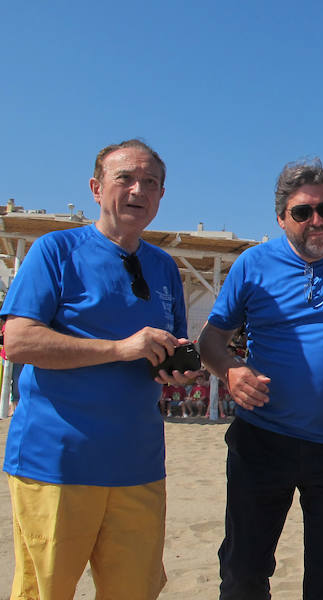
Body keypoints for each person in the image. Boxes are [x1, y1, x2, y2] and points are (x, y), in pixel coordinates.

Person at [1, 139, 197, 599]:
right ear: (95, 187)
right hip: (57, 463)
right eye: (125, 178)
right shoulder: (55, 251)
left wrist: (176, 373)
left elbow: (170, 348)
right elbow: (18, 340)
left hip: (139, 465)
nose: (138, 190)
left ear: (161, 196)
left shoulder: (165, 267)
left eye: (151, 183)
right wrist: (120, 348)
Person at [197, 158, 323, 600]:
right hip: (262, 441)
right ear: (281, 217)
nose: (317, 221)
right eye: (302, 213)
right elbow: (210, 339)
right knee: (243, 572)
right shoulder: (252, 265)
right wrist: (230, 371)